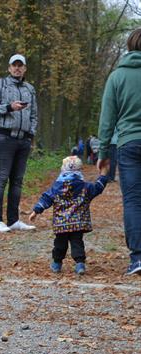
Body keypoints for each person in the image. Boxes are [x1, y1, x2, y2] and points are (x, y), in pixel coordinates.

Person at [97, 28, 141, 276]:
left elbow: (107, 119)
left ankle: (137, 258)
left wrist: (103, 151)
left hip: (128, 143)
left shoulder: (117, 77)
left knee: (134, 201)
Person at [0, 53, 39, 233]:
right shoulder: (0, 85)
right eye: (14, 65)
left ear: (25, 68)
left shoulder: (30, 89)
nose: (17, 68)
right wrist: (9, 107)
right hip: (3, 137)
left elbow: (34, 115)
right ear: (9, 68)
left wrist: (31, 135)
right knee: (1, 178)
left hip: (23, 139)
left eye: (20, 65)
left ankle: (14, 220)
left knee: (17, 181)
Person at [28, 156, 109, 275]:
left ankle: (57, 263)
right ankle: (80, 264)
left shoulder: (57, 187)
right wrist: (103, 174)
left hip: (61, 223)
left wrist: (36, 210)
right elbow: (98, 188)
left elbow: (46, 198)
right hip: (78, 223)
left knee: (60, 244)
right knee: (77, 243)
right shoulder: (85, 187)